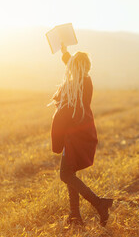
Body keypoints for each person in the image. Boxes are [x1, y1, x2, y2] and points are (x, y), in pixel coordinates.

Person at [50, 43, 113, 226]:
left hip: (74, 136)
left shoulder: (76, 86)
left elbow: (61, 116)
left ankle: (99, 203)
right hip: (82, 132)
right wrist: (65, 53)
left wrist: (57, 143)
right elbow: (74, 66)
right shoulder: (85, 80)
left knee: (65, 175)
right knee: (70, 173)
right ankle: (75, 215)